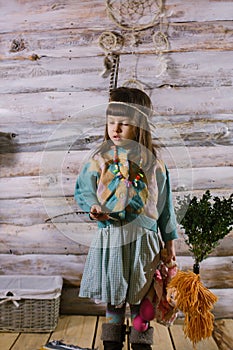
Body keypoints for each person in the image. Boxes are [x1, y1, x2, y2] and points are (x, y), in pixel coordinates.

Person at [74, 87, 178, 350]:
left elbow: (166, 208)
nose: (116, 129)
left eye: (125, 123)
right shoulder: (100, 160)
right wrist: (94, 206)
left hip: (145, 243)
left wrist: (170, 246)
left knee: (142, 299)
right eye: (111, 122)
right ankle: (111, 344)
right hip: (112, 238)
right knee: (114, 298)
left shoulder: (155, 164)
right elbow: (84, 190)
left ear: (140, 126)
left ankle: (142, 343)